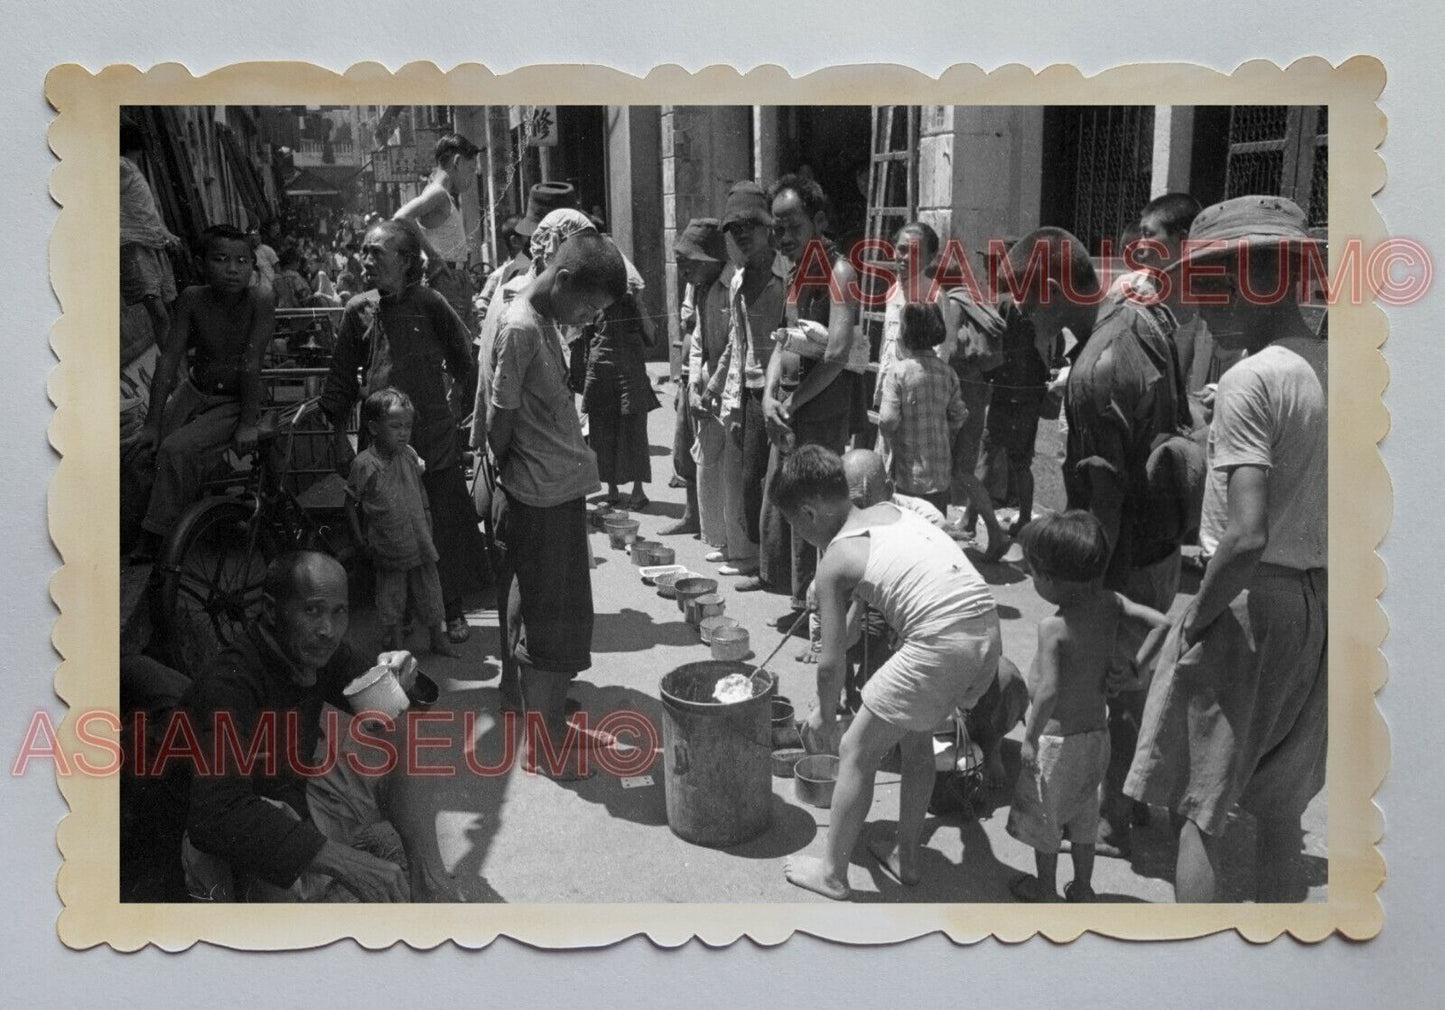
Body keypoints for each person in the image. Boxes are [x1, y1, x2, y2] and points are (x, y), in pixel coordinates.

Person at [1124, 196, 1328, 902]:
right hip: (1313, 604)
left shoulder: (1251, 378)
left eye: (1209, 284)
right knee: (1279, 814)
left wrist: (1195, 619)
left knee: (1200, 813)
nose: (1201, 308)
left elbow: (1242, 535)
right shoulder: (1335, 367)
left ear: (1250, 279)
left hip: (1247, 604)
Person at [1006, 226, 1193, 857]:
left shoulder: (1096, 367)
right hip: (1159, 542)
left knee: (1110, 688)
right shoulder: (1140, 318)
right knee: (1140, 685)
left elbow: (1104, 499)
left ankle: (1114, 819)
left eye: (1028, 297)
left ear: (1055, 288)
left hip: (1119, 556)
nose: (1024, 311)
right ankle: (1143, 807)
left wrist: (1090, 597)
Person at [777, 446, 1001, 900]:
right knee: (915, 739)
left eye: (795, 526)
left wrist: (823, 714)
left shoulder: (835, 560)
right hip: (986, 631)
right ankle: (907, 857)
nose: (799, 536)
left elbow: (830, 662)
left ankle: (833, 874)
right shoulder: (889, 512)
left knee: (856, 748)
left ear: (808, 513)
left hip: (940, 639)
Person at [169, 552, 414, 902]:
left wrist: (399, 681)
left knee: (397, 735)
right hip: (224, 842)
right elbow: (214, 816)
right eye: (312, 611)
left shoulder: (313, 649)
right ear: (272, 611)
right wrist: (346, 863)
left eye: (338, 612)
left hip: (287, 801)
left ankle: (429, 880)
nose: (327, 630)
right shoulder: (229, 685)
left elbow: (385, 714)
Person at [483, 231, 629, 777]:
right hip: (537, 500)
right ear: (563, 281)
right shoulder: (522, 327)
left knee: (563, 624)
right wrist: (511, 480)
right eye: (590, 306)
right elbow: (499, 422)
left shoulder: (545, 321)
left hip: (556, 493)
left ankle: (555, 728)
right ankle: (540, 749)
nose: (591, 319)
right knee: (545, 632)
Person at [322, 220, 486, 645]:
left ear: (407, 261)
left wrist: (467, 421)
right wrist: (339, 436)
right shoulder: (358, 309)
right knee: (390, 528)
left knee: (441, 528)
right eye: (364, 250)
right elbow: (340, 380)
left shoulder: (430, 303)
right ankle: (407, 614)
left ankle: (450, 610)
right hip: (380, 446)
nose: (366, 259)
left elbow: (467, 362)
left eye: (378, 252)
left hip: (431, 437)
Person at [1006, 511, 1169, 902]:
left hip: (1056, 744)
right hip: (1096, 737)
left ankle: (1045, 889)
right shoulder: (1111, 603)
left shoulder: (1053, 628)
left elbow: (1047, 692)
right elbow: (1164, 623)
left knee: (1045, 820)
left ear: (1046, 579)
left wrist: (1028, 739)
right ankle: (1082, 888)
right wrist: (1136, 670)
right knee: (1082, 817)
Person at [746, 174, 866, 615]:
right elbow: (783, 341)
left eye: (792, 226)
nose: (782, 238)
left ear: (818, 221)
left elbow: (835, 353)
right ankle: (802, 603)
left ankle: (824, 618)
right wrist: (767, 398)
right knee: (788, 508)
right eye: (776, 228)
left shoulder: (841, 272)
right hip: (788, 413)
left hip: (820, 416)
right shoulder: (797, 273)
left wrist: (791, 404)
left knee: (818, 515)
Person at [130, 225, 276, 556]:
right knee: (143, 452)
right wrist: (152, 422)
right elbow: (168, 363)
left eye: (242, 261)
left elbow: (251, 362)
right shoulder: (193, 299)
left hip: (237, 399)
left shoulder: (260, 300)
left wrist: (248, 423)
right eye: (221, 260)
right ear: (201, 264)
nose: (233, 269)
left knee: (175, 450)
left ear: (253, 265)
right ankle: (166, 518)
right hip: (196, 390)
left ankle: (158, 537)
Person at [706, 182, 786, 579]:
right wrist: (724, 392)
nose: (742, 237)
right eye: (734, 230)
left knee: (783, 481)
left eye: (749, 227)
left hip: (788, 393)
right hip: (753, 394)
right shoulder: (737, 281)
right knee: (752, 479)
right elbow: (738, 345)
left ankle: (779, 569)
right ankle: (763, 561)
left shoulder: (787, 276)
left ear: (768, 227)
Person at [347, 387, 460, 658]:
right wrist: (358, 538)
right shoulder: (365, 464)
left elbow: (419, 488)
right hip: (389, 543)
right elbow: (350, 502)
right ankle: (397, 649)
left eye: (407, 426)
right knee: (392, 600)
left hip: (420, 538)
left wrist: (428, 518)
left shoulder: (408, 454)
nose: (403, 432)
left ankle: (437, 638)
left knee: (431, 592)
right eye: (395, 425)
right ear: (374, 428)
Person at [666, 219, 732, 541]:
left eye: (687, 263)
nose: (683, 272)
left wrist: (713, 383)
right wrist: (690, 383)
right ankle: (698, 518)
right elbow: (693, 333)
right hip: (697, 375)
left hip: (723, 381)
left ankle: (723, 531)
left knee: (723, 460)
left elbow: (732, 342)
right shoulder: (697, 284)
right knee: (688, 447)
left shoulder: (729, 284)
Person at [582, 263, 660, 510]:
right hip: (601, 367)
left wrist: (638, 301)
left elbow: (652, 336)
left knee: (634, 428)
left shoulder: (631, 298)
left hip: (629, 368)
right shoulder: (594, 296)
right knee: (602, 429)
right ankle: (612, 490)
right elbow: (583, 333)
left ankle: (638, 491)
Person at [877, 301, 966, 516]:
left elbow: (887, 421)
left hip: (908, 474)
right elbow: (958, 415)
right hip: (940, 472)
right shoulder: (948, 373)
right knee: (935, 526)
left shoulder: (898, 373)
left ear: (905, 333)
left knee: (908, 526)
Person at [393, 131, 481, 335]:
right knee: (454, 345)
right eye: (470, 169)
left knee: (463, 343)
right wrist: (433, 255)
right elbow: (402, 216)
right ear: (457, 162)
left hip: (455, 277)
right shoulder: (437, 192)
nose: (471, 177)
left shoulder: (443, 195)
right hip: (446, 280)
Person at [119, 120, 179, 353]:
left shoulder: (131, 169)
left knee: (166, 310)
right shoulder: (122, 166)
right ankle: (169, 366)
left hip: (151, 243)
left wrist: (166, 234)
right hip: (135, 244)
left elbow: (148, 211)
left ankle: (173, 363)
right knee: (160, 314)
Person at [474, 214, 531, 329]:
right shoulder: (498, 277)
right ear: (515, 241)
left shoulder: (534, 272)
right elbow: (481, 309)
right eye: (529, 237)